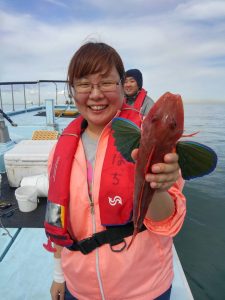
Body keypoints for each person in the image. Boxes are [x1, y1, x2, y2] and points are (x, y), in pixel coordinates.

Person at [44, 42, 186, 300]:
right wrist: (58, 276)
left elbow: (166, 220)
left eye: (106, 83)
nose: (95, 94)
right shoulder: (59, 150)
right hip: (80, 290)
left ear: (123, 86)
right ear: (73, 91)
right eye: (84, 84)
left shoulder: (149, 139)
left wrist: (158, 186)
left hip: (145, 290)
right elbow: (57, 216)